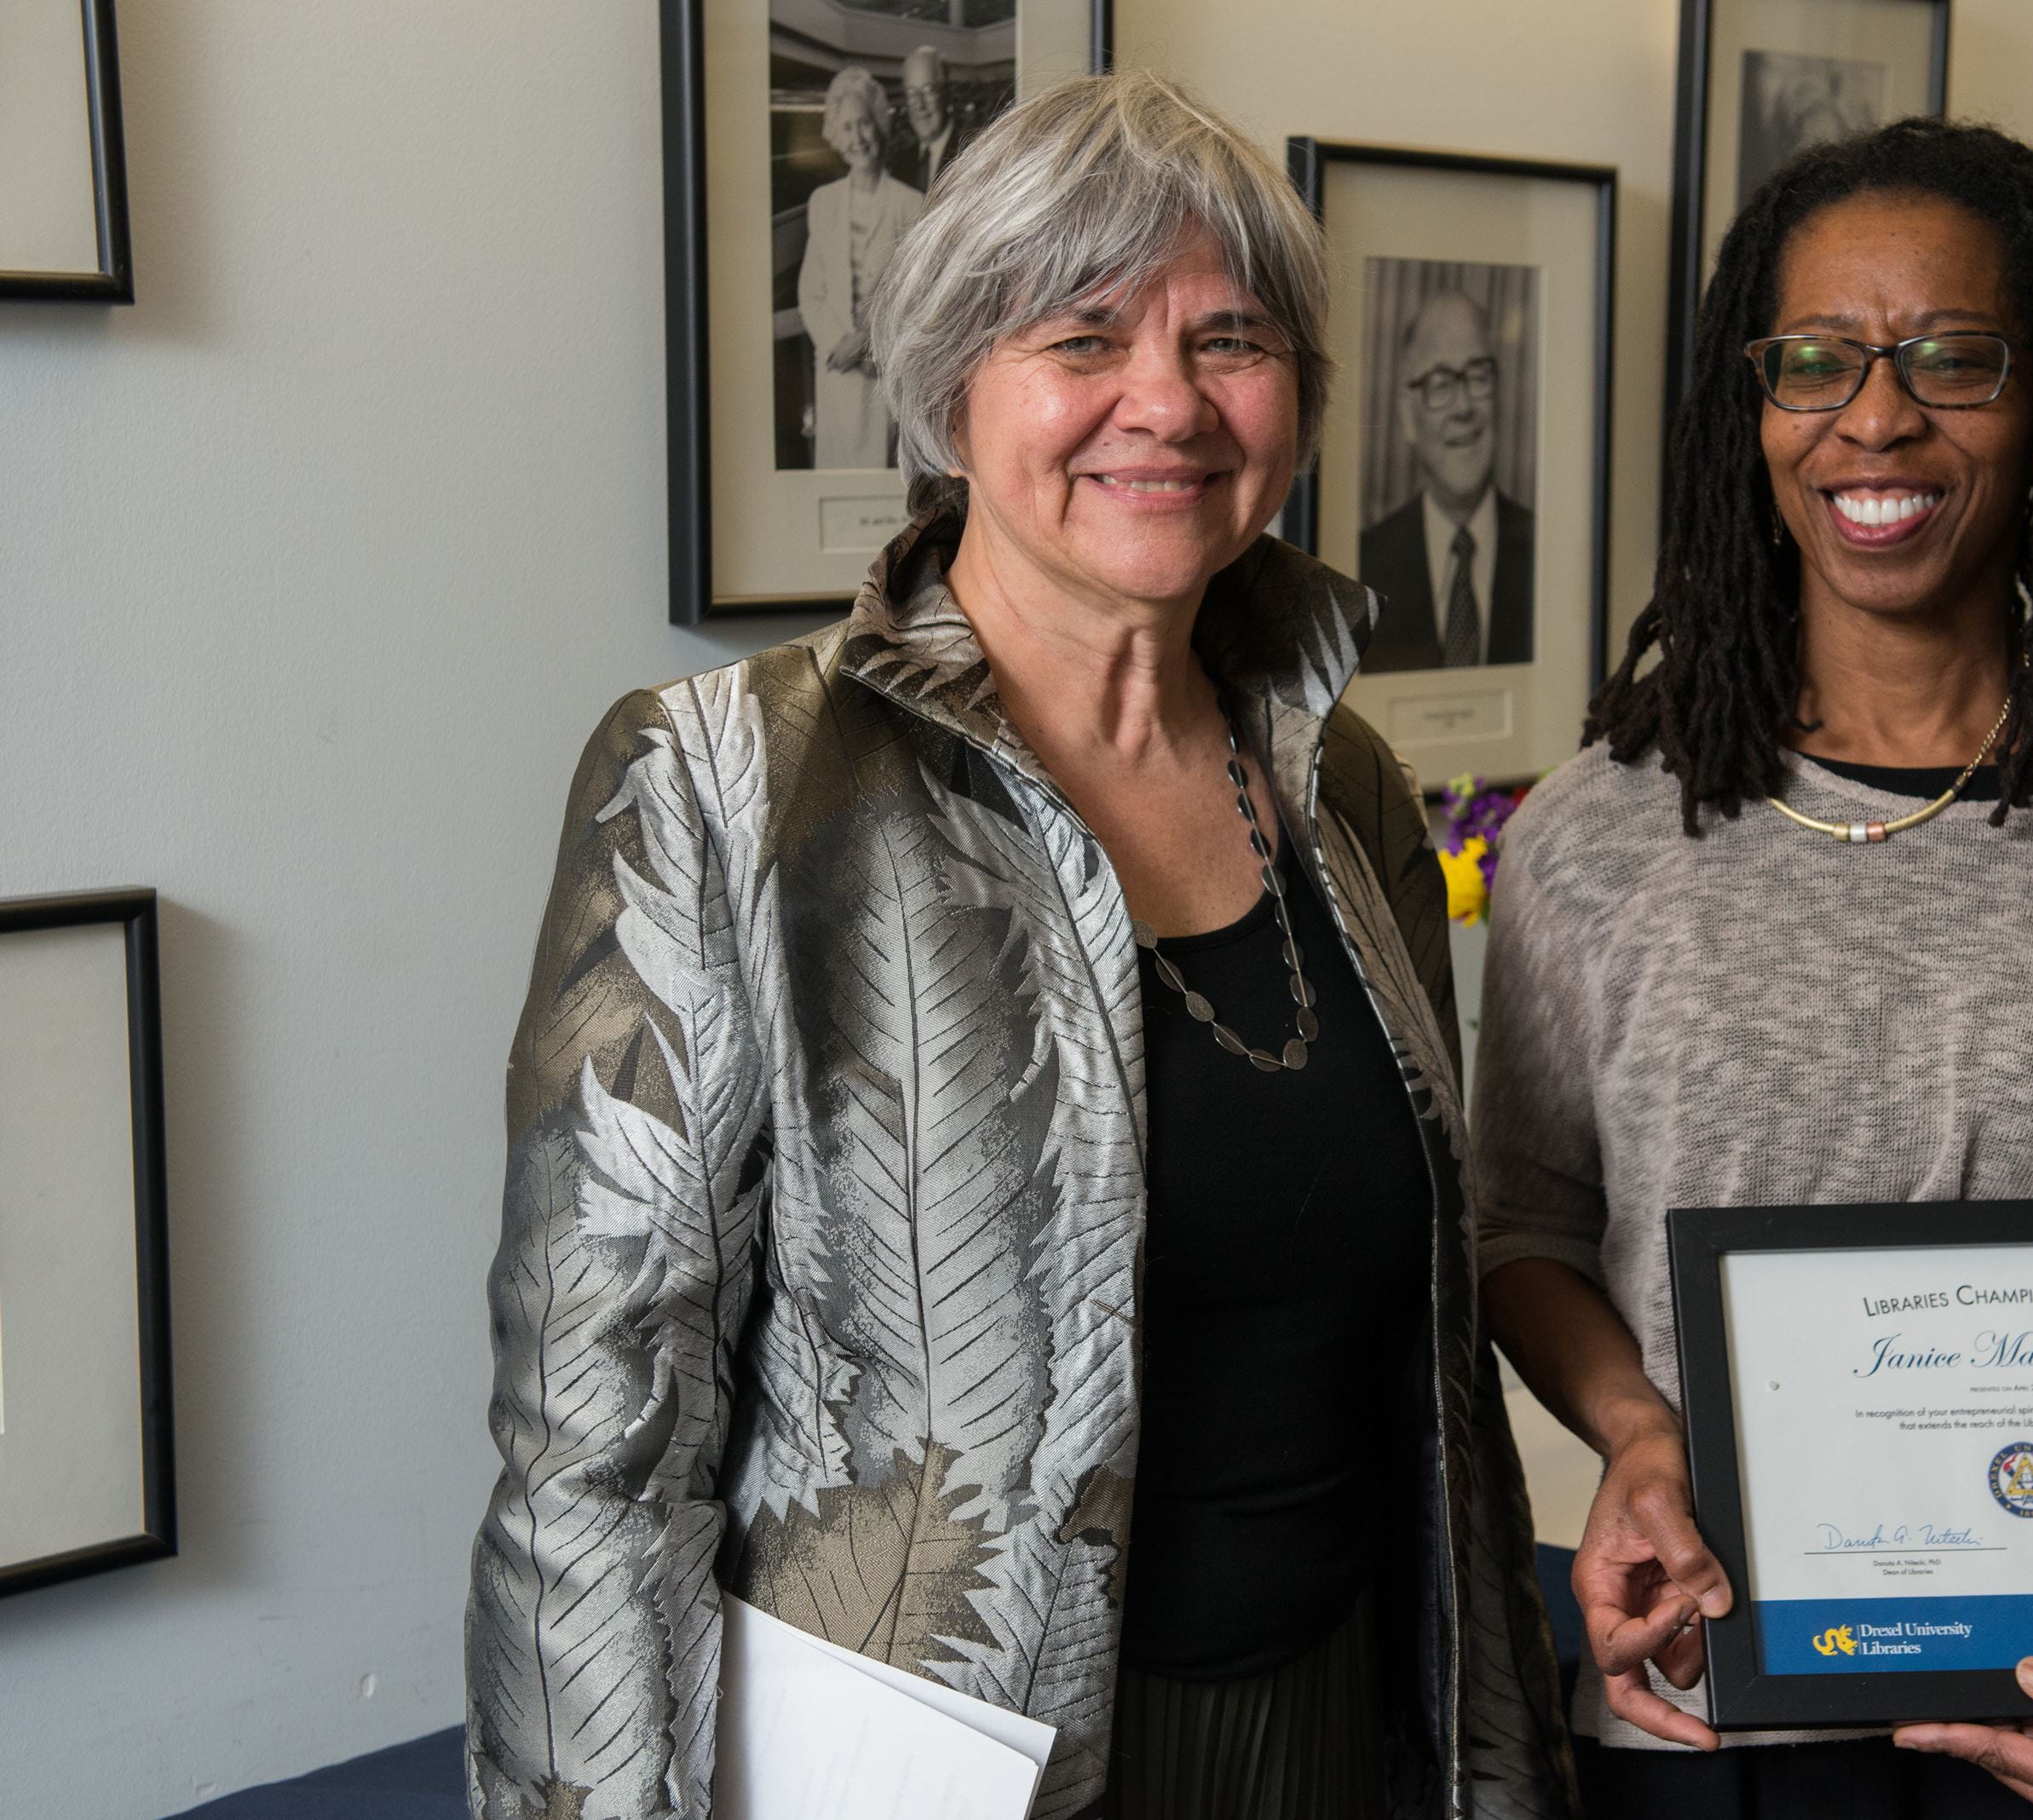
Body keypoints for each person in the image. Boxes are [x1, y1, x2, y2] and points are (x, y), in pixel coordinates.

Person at [465, 72, 1569, 1820]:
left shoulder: (1342, 779)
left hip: (1339, 1729)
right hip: (935, 1778)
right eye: (1083, 336)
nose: (1168, 403)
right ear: (950, 390)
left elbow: (1426, 1386)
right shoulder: (724, 780)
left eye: (1231, 339)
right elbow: (594, 1460)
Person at [1474, 118, 2033, 1820]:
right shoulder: (1595, 837)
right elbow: (1525, 1224)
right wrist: (1636, 1435)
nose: (1876, 418)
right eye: (1815, 361)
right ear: (1757, 408)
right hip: (1713, 1717)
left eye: (1952, 358)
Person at [1357, 289, 1536, 671]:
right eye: (1440, 384)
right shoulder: (1362, 567)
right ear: (1408, 416)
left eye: (1478, 376)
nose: (1463, 408)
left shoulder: (1546, 553)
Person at [797, 64, 922, 469]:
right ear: (836, 135)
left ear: (880, 127)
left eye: (865, 124)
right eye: (847, 128)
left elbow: (915, 298)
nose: (858, 138)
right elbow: (811, 291)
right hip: (836, 369)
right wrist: (840, 342)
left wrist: (869, 341)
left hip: (881, 373)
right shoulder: (823, 202)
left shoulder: (910, 204)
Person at [890, 44, 976, 196]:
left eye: (928, 91)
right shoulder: (900, 164)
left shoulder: (970, 155)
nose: (920, 105)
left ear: (946, 92)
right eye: (912, 94)